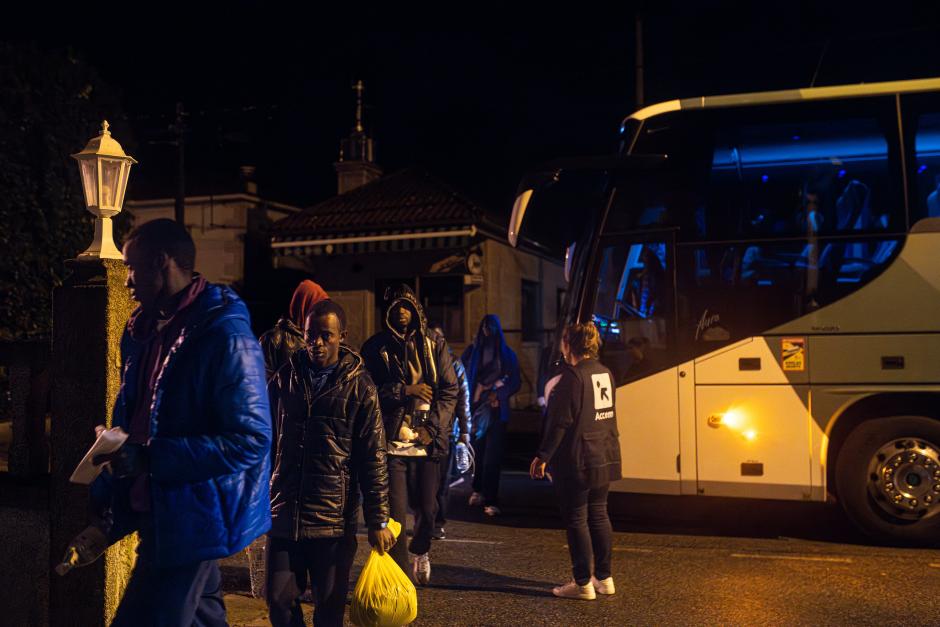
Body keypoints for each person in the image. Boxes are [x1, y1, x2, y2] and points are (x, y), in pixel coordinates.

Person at [85, 218, 272, 626]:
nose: (127, 281)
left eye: (132, 268)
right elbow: (136, 417)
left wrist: (150, 459)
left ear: (161, 262)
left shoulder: (225, 335)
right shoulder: (141, 332)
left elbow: (251, 439)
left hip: (193, 520)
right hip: (162, 509)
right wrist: (113, 463)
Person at [265, 299, 394, 627]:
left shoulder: (361, 387)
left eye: (326, 335)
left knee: (329, 613)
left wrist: (378, 520)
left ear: (342, 336)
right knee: (278, 601)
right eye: (311, 335)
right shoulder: (285, 379)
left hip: (332, 521)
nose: (317, 343)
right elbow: (263, 440)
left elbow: (373, 458)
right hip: (285, 514)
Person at [361, 285, 458, 585]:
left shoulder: (434, 344)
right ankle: (401, 579)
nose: (401, 311)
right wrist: (404, 390)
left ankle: (422, 550)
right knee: (397, 519)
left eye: (407, 306)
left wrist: (433, 428)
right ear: (387, 313)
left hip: (426, 443)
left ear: (416, 309)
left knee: (428, 511)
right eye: (395, 307)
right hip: (392, 443)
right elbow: (368, 392)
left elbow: (450, 390)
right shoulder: (376, 347)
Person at [530, 321, 622, 601]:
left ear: (568, 344)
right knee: (599, 514)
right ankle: (604, 578)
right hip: (604, 454)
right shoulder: (605, 372)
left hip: (579, 458)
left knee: (577, 518)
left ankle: (582, 583)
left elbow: (560, 422)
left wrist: (543, 456)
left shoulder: (572, 377)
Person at [462, 314, 520, 516]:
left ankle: (491, 498)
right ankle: (478, 490)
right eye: (484, 327)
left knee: (492, 457)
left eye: (491, 328)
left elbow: (515, 381)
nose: (487, 331)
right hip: (477, 411)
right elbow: (462, 377)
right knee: (477, 454)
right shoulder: (472, 353)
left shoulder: (506, 354)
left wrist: (499, 394)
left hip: (497, 412)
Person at [429, 325, 472, 540]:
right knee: (425, 479)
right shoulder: (424, 362)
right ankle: (426, 519)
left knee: (443, 481)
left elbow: (463, 399)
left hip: (447, 431)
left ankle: (438, 522)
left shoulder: (455, 364)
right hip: (425, 430)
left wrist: (465, 431)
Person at [259, 279, 329, 379]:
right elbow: (262, 382)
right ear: (303, 305)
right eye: (317, 307)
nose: (321, 315)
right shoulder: (273, 339)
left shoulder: (322, 338)